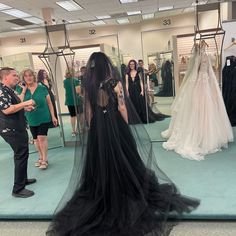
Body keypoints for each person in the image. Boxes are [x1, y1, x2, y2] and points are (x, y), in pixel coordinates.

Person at [46, 52, 199, 236]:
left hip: (98, 128)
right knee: (125, 156)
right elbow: (122, 107)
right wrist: (125, 126)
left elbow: (87, 109)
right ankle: (126, 188)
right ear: (107, 65)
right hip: (115, 123)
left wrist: (92, 127)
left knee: (99, 159)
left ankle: (103, 192)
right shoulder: (115, 83)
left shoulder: (87, 85)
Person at [0, 67, 36, 198]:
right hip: (11, 129)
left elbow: (15, 106)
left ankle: (23, 179)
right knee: (20, 155)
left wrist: (25, 108)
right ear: (5, 77)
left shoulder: (9, 90)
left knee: (23, 154)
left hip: (17, 127)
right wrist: (26, 102)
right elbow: (7, 110)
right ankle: (18, 189)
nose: (17, 77)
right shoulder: (1, 90)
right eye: (14, 75)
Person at [18, 69, 58, 170]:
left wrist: (53, 116)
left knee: (41, 138)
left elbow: (49, 103)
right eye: (26, 76)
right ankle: (40, 157)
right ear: (23, 78)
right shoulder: (21, 90)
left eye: (30, 75)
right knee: (35, 139)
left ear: (34, 76)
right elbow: (19, 104)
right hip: (31, 118)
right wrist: (23, 90)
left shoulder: (42, 88)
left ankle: (44, 159)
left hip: (44, 116)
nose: (29, 78)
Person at [125, 59, 168, 123]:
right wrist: (127, 91)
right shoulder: (127, 74)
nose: (132, 65)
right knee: (133, 103)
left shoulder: (138, 72)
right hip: (131, 91)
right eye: (130, 64)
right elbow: (127, 84)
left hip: (138, 89)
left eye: (133, 64)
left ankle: (141, 117)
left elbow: (141, 82)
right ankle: (135, 118)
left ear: (135, 65)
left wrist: (142, 90)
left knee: (140, 104)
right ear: (129, 65)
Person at [63, 68, 83, 136]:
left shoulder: (65, 81)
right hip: (77, 101)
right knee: (80, 115)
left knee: (73, 116)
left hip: (69, 101)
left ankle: (73, 131)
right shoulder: (76, 80)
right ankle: (81, 129)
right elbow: (78, 91)